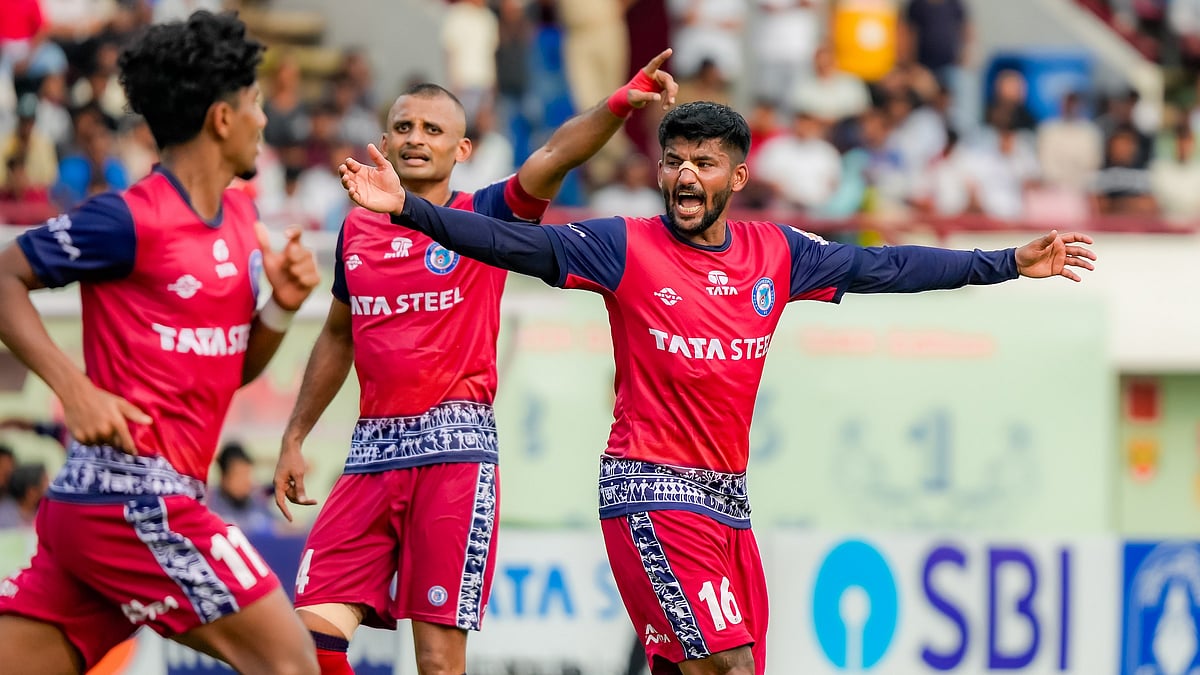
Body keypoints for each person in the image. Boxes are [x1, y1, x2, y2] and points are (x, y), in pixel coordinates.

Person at [338, 101, 1097, 675]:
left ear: (737, 176)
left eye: (703, 162)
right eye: (674, 161)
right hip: (650, 492)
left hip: (728, 502)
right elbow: (516, 242)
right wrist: (411, 210)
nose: (685, 176)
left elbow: (886, 268)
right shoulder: (620, 245)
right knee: (726, 666)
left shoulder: (779, 253)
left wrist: (1004, 262)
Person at [274, 49, 678, 675]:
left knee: (438, 661)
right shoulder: (356, 231)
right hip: (369, 455)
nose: (416, 139)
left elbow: (556, 155)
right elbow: (336, 333)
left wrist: (621, 101)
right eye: (404, 127)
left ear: (461, 151)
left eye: (433, 130)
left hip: (452, 457)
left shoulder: (485, 217)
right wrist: (296, 434)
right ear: (384, 139)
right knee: (309, 640)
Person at [0, 11, 321, 675]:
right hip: (132, 498)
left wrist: (281, 310)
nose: (266, 117)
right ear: (222, 119)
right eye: (256, 100)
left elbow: (228, 370)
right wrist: (74, 387)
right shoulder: (129, 219)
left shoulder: (239, 215)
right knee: (291, 663)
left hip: (105, 508)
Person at [209, 441, 278, 536]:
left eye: (248, 474)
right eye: (240, 475)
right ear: (224, 477)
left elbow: (280, 528)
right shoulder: (210, 505)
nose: (247, 482)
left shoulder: (257, 500)